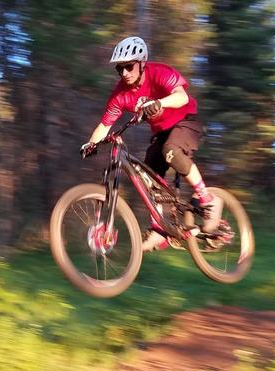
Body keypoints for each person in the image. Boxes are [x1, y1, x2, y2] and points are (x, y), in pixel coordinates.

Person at [80, 36, 222, 252]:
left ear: (141, 63)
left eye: (129, 66)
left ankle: (207, 198)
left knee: (170, 151)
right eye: (120, 69)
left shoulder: (159, 72)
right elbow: (105, 124)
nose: (125, 73)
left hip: (186, 122)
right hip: (161, 133)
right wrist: (91, 143)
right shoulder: (120, 94)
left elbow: (182, 97)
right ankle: (159, 229)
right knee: (148, 176)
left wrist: (159, 102)